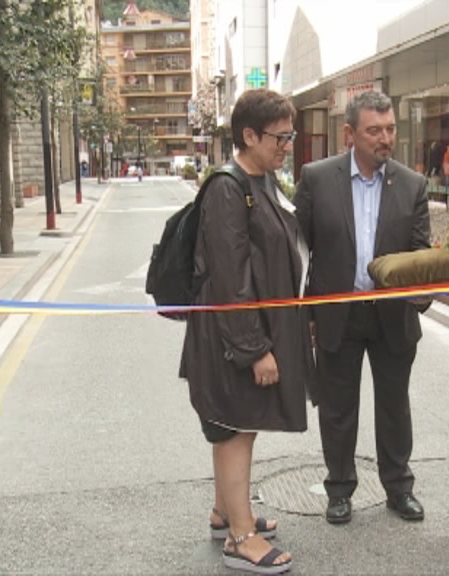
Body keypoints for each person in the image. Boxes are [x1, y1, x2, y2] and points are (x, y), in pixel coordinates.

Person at [180, 88, 312, 574]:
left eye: (289, 135)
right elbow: (230, 276)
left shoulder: (262, 181)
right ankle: (240, 537)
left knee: (240, 424)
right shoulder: (227, 189)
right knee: (234, 430)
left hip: (242, 333)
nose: (287, 145)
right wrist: (255, 348)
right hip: (229, 339)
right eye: (280, 136)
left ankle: (225, 512)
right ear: (249, 135)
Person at [294, 90, 431, 525]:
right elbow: (300, 249)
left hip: (392, 314)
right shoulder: (317, 178)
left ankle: (398, 487)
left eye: (390, 129)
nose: (384, 138)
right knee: (337, 407)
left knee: (395, 406)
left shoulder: (412, 185)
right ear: (350, 133)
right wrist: (306, 314)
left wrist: (418, 299)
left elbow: (419, 253)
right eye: (374, 130)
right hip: (339, 313)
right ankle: (339, 489)